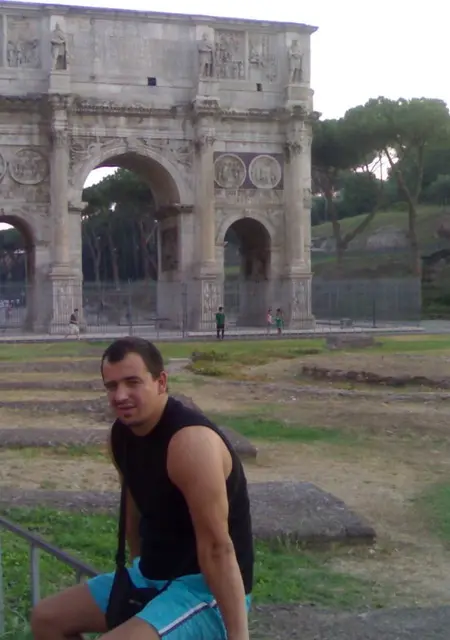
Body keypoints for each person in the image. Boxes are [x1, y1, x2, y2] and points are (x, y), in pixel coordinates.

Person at [30, 336, 254, 640]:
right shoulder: (121, 435)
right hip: (151, 574)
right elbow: (134, 503)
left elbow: (218, 547)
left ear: (161, 382)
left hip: (204, 588)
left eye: (132, 382)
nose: (120, 395)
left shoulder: (190, 443)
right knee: (46, 620)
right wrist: (137, 567)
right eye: (111, 386)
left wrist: (238, 635)